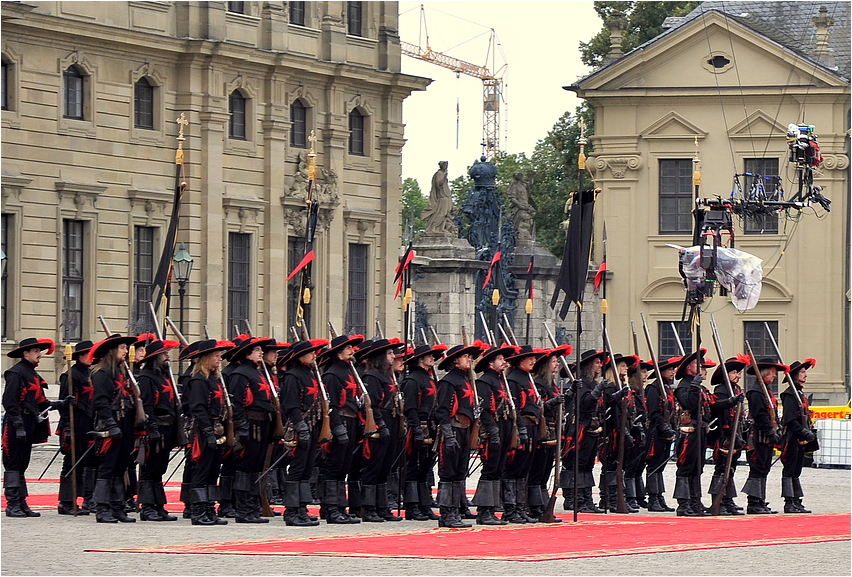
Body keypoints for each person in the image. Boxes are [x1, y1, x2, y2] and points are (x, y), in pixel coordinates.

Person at [3, 337, 65, 518]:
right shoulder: (15, 373)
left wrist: (59, 404)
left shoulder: (33, 374)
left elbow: (39, 402)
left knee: (23, 463)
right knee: (13, 463)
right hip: (16, 423)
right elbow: (9, 402)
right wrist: (18, 425)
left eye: (39, 351)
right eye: (36, 352)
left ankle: (21, 502)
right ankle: (12, 504)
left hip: (29, 422)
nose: (40, 355)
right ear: (26, 353)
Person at [89, 333, 141, 523]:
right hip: (110, 424)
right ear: (112, 351)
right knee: (108, 466)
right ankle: (102, 508)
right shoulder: (102, 373)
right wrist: (111, 425)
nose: (126, 351)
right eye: (122, 348)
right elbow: (101, 402)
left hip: (125, 423)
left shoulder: (121, 371)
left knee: (121, 467)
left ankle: (117, 506)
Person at [280, 338, 330, 526]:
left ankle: (301, 508)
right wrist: (300, 426)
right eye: (311, 353)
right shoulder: (293, 376)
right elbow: (291, 404)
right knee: (298, 468)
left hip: (313, 425)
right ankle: (292, 511)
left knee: (307, 469)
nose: (314, 355)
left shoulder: (311, 374)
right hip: (300, 425)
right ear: (301, 356)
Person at [186, 338, 235, 525]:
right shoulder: (198, 380)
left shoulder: (214, 379)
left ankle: (209, 509)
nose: (219, 359)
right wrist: (207, 432)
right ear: (207, 358)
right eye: (216, 356)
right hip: (204, 430)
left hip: (217, 429)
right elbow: (197, 408)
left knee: (213, 471)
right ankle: (198, 512)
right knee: (202, 471)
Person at [434, 342, 482, 528]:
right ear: (455, 360)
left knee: (460, 472)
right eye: (465, 356)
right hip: (452, 430)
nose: (469, 359)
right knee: (449, 472)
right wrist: (448, 434)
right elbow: (441, 411)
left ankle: (455, 510)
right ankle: (447, 513)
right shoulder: (448, 382)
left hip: (465, 429)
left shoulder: (466, 380)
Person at [318, 334, 365, 524]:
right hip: (341, 421)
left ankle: (339, 507)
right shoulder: (332, 374)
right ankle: (330, 508)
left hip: (351, 420)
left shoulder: (348, 370)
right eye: (348, 348)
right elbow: (332, 405)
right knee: (334, 467)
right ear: (339, 352)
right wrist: (337, 427)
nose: (352, 351)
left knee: (344, 467)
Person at [358, 338, 405, 523]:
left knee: (386, 467)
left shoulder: (387, 375)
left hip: (392, 421)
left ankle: (382, 507)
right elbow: (372, 405)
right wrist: (380, 424)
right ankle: (369, 508)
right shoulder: (372, 377)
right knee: (374, 467)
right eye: (390, 353)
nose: (393, 356)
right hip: (380, 423)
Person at [470, 342, 518, 525]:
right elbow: (485, 410)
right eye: (500, 359)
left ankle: (493, 507)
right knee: (490, 470)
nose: (504, 362)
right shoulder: (485, 382)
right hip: (493, 430)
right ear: (490, 363)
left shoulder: (500, 381)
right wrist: (492, 431)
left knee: (498, 469)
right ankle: (484, 511)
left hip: (504, 428)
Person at [136, 338, 181, 521]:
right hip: (156, 427)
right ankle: (147, 507)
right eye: (164, 354)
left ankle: (158, 504)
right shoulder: (147, 377)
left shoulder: (164, 375)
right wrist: (151, 427)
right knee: (150, 468)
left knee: (160, 468)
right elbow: (146, 405)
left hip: (168, 427)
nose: (167, 356)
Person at [501, 345, 548, 523]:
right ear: (521, 360)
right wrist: (519, 429)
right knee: (513, 468)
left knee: (523, 470)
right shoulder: (513, 380)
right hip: (522, 426)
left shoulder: (527, 377)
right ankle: (510, 509)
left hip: (532, 426)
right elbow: (516, 408)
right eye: (530, 358)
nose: (534, 361)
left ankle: (520, 508)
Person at [400, 343, 447, 521]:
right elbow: (411, 408)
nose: (432, 359)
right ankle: (412, 507)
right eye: (429, 356)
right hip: (419, 426)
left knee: (426, 468)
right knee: (414, 467)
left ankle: (424, 505)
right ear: (420, 360)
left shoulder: (429, 378)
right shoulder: (413, 380)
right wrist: (417, 430)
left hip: (431, 426)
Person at [560, 349, 608, 514]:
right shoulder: (581, 383)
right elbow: (584, 404)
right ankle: (576, 499)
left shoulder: (592, 383)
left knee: (587, 465)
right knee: (577, 464)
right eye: (596, 362)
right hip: (580, 428)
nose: (599, 365)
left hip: (592, 428)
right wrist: (597, 392)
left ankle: (586, 499)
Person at [742, 357, 786, 514]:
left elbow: (771, 414)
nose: (775, 376)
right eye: (773, 373)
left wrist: (777, 429)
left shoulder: (766, 391)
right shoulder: (755, 392)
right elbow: (760, 416)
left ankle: (760, 500)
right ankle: (753, 502)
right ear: (765, 373)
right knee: (758, 467)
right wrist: (770, 431)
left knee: (764, 468)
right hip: (758, 436)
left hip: (766, 436)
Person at [56, 340, 94, 515]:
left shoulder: (92, 373)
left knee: (84, 462)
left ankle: (83, 497)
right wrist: (67, 427)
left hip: (88, 421)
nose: (90, 357)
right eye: (87, 354)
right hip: (74, 422)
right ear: (79, 356)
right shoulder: (70, 376)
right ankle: (66, 501)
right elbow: (65, 404)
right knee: (71, 461)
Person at [707, 355, 749, 515]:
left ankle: (727, 499)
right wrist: (732, 401)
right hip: (724, 435)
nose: (738, 375)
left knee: (731, 469)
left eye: (739, 373)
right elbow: (718, 410)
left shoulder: (736, 389)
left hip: (736, 433)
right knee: (721, 469)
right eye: (735, 372)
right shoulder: (721, 390)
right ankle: (717, 500)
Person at [597, 353, 637, 513]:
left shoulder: (622, 385)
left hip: (623, 428)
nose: (626, 368)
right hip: (612, 431)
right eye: (622, 365)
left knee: (620, 467)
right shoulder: (609, 387)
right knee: (611, 465)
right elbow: (606, 408)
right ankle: (608, 499)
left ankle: (618, 497)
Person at [780, 359, 818, 513]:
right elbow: (790, 420)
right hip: (792, 437)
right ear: (795, 375)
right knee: (789, 470)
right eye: (802, 372)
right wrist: (804, 433)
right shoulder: (789, 395)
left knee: (797, 471)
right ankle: (789, 503)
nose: (805, 375)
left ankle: (796, 501)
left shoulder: (799, 393)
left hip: (800, 438)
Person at [644, 355, 681, 512]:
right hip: (656, 431)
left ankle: (659, 497)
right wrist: (663, 427)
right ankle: (653, 498)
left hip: (666, 430)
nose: (673, 372)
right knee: (654, 465)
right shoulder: (654, 388)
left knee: (661, 465)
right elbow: (654, 412)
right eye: (670, 369)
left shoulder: (666, 388)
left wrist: (671, 426)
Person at [624, 358, 652, 511]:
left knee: (639, 466)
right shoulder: (632, 392)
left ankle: (640, 496)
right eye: (642, 371)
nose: (645, 374)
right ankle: (630, 497)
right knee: (631, 465)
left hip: (644, 431)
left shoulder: (641, 392)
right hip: (634, 431)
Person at [421, 161, 456, 237]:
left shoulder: (442, 173)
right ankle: (433, 228)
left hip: (446, 196)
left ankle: (441, 228)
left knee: (446, 214)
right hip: (442, 197)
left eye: (447, 165)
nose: (446, 167)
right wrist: (444, 177)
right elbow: (439, 183)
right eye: (445, 165)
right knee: (441, 213)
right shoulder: (440, 173)